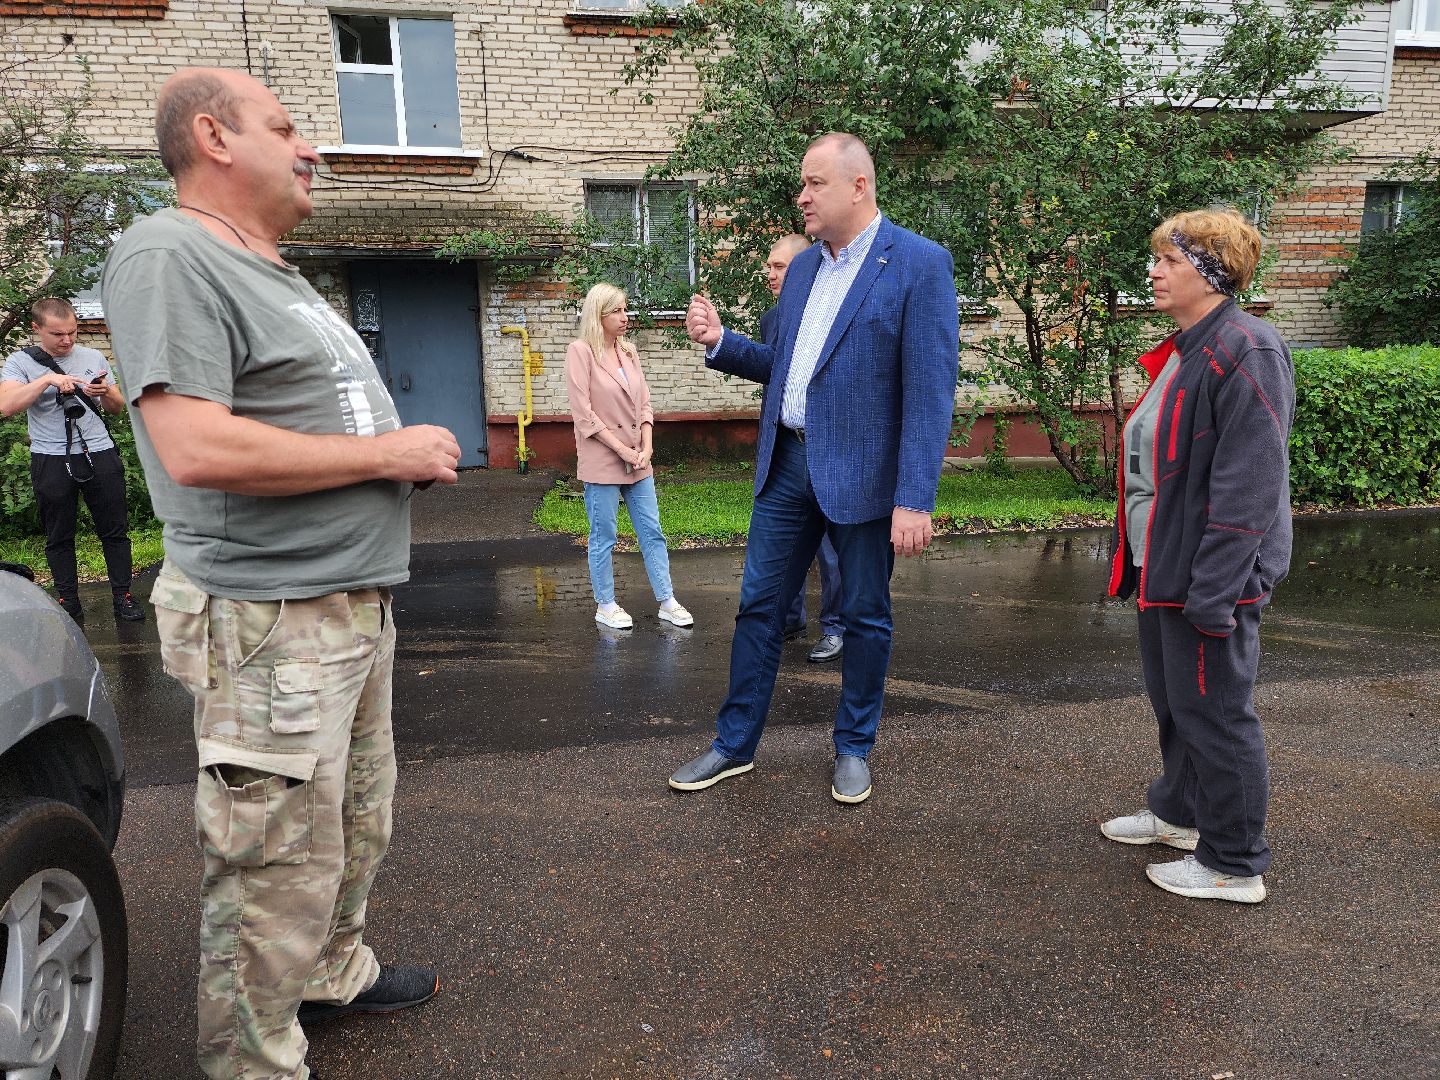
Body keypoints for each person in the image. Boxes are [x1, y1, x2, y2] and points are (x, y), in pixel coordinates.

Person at [101, 68, 461, 1080]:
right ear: (214, 139)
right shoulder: (168, 252)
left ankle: (330, 976)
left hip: (347, 606)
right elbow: (196, 449)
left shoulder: (275, 271)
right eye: (288, 127)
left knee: (352, 822)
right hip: (270, 619)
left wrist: (388, 460)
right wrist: (385, 458)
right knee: (269, 867)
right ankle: (251, 1063)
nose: (312, 150)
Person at [670, 133, 959, 804]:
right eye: (802, 183)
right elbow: (789, 371)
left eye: (814, 183)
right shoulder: (802, 270)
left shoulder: (919, 264)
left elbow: (929, 390)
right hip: (788, 464)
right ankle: (733, 745)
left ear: (858, 187)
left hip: (866, 476)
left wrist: (916, 497)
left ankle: (854, 747)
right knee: (758, 608)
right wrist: (722, 344)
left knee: (864, 614)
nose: (801, 195)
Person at [1102, 206, 1295, 905]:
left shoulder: (1248, 349)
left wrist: (1213, 593)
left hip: (1211, 580)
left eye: (1171, 261)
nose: (1154, 271)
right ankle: (1181, 816)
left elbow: (1249, 487)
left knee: (1217, 715)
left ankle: (1236, 862)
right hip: (1168, 569)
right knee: (1178, 705)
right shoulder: (1190, 346)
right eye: (1158, 259)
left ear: (1211, 275)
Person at [0, 298, 145, 625]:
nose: (66, 340)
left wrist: (104, 391)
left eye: (72, 332)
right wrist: (46, 381)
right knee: (59, 534)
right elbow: (7, 405)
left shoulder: (93, 356)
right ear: (36, 329)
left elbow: (117, 407)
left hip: (99, 452)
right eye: (57, 334)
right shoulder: (20, 362)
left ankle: (123, 596)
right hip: (50, 457)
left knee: (115, 530)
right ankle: (68, 601)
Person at [565, 282, 693, 631]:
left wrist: (647, 448)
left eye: (626, 309)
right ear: (599, 315)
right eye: (618, 311)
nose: (625, 317)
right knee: (603, 535)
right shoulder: (580, 352)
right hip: (603, 460)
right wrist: (623, 449)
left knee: (652, 531)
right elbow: (584, 416)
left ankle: (667, 600)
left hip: (639, 460)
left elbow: (645, 405)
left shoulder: (629, 352)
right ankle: (605, 604)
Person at [761, 234, 845, 664]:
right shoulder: (773, 317)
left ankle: (835, 628)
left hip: (829, 452)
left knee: (830, 552)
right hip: (786, 450)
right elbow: (772, 374)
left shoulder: (831, 313)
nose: (770, 275)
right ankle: (789, 617)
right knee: (785, 546)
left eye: (778, 267)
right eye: (770, 266)